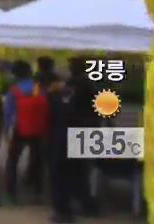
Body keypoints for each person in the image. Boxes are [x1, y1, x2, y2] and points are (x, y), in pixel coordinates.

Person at [48, 59, 101, 222]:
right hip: (83, 135)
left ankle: (64, 211)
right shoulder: (91, 87)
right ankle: (87, 206)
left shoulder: (69, 88)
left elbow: (61, 110)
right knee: (79, 173)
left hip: (65, 136)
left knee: (60, 174)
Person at [3, 60, 48, 202]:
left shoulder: (14, 90)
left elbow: (8, 113)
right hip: (38, 129)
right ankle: (38, 190)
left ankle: (11, 192)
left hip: (18, 129)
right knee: (37, 159)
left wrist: (6, 131)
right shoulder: (39, 88)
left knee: (13, 160)